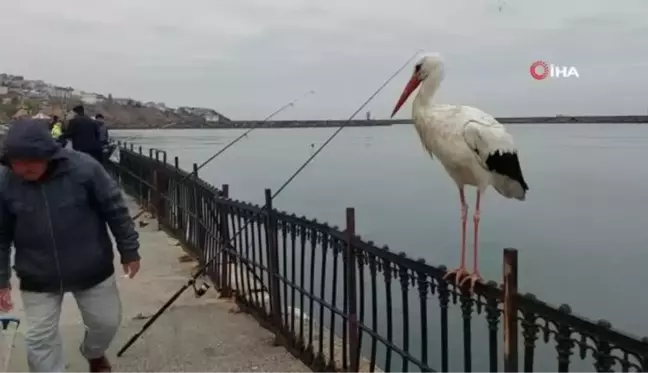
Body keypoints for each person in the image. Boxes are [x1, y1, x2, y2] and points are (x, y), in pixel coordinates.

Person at [0, 119, 141, 373]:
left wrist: (128, 249)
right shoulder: (5, 181)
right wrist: (2, 279)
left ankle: (93, 352)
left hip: (91, 266)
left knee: (106, 323)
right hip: (37, 274)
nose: (22, 168)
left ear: (48, 154)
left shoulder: (85, 168)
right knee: (38, 340)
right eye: (16, 162)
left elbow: (115, 209)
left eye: (30, 160)